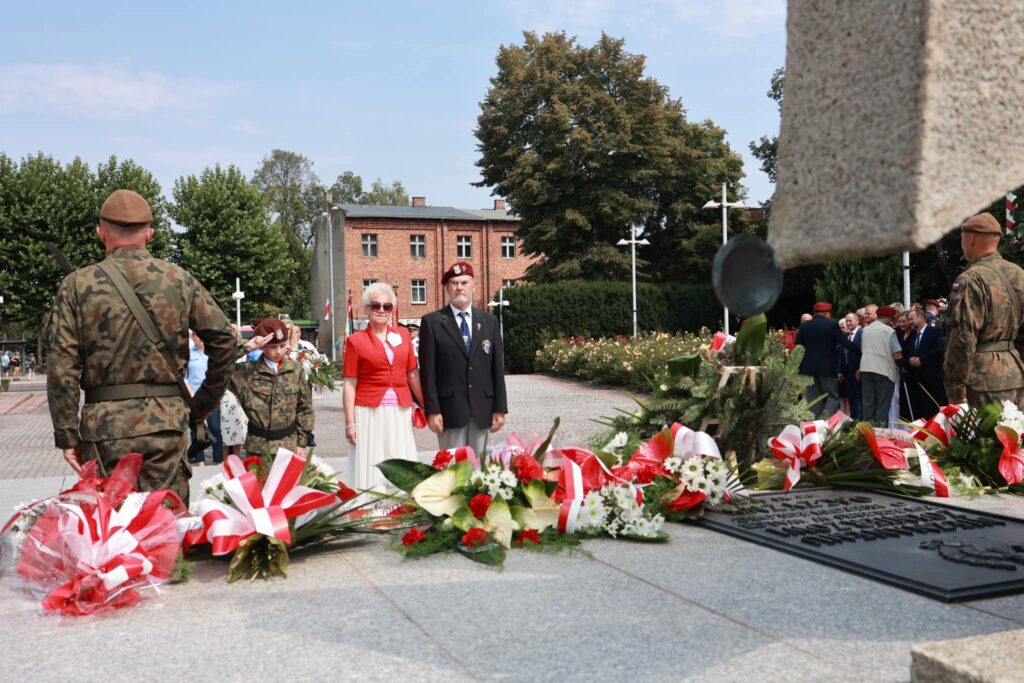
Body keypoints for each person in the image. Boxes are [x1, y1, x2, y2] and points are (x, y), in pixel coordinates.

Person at [46, 189, 235, 504]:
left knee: (112, 532)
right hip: (165, 425)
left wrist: (67, 435)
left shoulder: (77, 285)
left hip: (104, 429)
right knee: (166, 523)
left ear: (100, 233)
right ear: (150, 234)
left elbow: (61, 366)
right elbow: (225, 341)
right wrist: (202, 403)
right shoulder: (178, 279)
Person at [419, 261, 508, 456]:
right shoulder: (432, 322)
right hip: (449, 411)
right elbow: (428, 372)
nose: (459, 287)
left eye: (464, 282)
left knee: (480, 472)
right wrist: (432, 411)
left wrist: (499, 408)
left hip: (482, 410)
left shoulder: (489, 322)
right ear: (447, 288)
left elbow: (497, 368)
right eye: (454, 283)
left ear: (474, 285)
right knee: (452, 469)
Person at [342, 283, 423, 490]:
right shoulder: (355, 341)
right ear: (367, 309)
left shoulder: (404, 335)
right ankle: (371, 509)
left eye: (387, 306)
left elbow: (412, 373)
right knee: (372, 460)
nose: (381, 310)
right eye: (376, 305)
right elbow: (350, 383)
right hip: (369, 411)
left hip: (400, 410)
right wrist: (350, 422)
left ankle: (401, 508)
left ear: (392, 310)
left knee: (400, 458)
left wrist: (425, 405)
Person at [944, 212, 1024, 405]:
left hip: (980, 380)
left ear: (970, 238)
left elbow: (962, 338)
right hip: (1014, 374)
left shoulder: (970, 279)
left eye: (962, 239)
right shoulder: (1018, 274)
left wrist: (956, 394)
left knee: (982, 434)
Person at [229, 317, 314, 459]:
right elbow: (217, 369)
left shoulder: (295, 370)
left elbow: (305, 408)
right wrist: (246, 348)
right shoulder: (247, 372)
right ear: (262, 346)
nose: (279, 351)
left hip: (289, 447)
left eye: (282, 345)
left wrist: (301, 443)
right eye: (273, 347)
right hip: (258, 449)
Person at [794, 302, 856, 418]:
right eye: (829, 313)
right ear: (824, 313)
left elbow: (798, 347)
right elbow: (845, 342)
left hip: (809, 369)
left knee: (814, 399)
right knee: (832, 396)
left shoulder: (804, 327)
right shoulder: (831, 325)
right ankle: (825, 421)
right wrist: (860, 348)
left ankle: (814, 425)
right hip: (827, 369)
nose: (829, 315)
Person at [859, 306, 903, 426]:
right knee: (882, 405)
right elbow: (897, 353)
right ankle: (880, 433)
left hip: (866, 368)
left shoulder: (865, 330)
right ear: (889, 318)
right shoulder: (888, 331)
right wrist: (902, 365)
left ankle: (866, 433)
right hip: (884, 370)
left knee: (868, 403)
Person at [185, 331, 223, 465]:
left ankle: (218, 459)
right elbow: (183, 377)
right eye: (197, 335)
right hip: (195, 396)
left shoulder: (214, 354)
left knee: (215, 428)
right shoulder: (188, 354)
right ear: (192, 337)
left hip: (212, 397)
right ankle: (200, 460)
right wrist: (190, 393)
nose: (200, 338)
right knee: (198, 430)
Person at [906, 307, 947, 419]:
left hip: (933, 377)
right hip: (917, 379)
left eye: (911, 319)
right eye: (908, 319)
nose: (910, 322)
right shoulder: (913, 334)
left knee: (936, 408)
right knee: (922, 409)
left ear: (921, 318)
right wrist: (910, 359)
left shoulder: (935, 331)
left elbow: (939, 349)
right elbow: (909, 350)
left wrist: (922, 359)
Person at [838, 312, 863, 419]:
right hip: (847, 370)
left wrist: (861, 368)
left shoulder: (862, 334)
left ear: (857, 321)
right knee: (851, 397)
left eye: (850, 320)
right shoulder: (845, 336)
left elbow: (864, 352)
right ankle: (854, 420)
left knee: (859, 397)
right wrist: (840, 370)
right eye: (846, 321)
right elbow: (841, 353)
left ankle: (861, 421)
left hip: (857, 370)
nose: (848, 323)